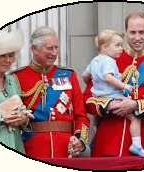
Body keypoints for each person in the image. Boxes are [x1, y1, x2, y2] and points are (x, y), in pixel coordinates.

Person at [84, 11, 144, 157]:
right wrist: (109, 105)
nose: (137, 37)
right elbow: (88, 99)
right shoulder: (108, 59)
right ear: (125, 32)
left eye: (142, 32)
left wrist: (136, 105)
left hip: (143, 145)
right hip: (108, 143)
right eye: (133, 32)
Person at [12, 26, 90, 158]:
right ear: (34, 49)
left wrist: (80, 140)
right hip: (32, 147)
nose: (54, 53)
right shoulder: (17, 77)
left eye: (56, 47)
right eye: (49, 48)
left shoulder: (68, 75)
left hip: (66, 149)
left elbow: (81, 115)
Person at [83, 30, 144, 157]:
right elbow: (108, 78)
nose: (121, 49)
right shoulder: (109, 61)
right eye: (117, 45)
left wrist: (95, 85)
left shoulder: (95, 60)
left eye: (121, 45)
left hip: (99, 98)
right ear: (105, 47)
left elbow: (85, 76)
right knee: (135, 117)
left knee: (98, 120)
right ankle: (137, 145)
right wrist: (124, 85)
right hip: (112, 96)